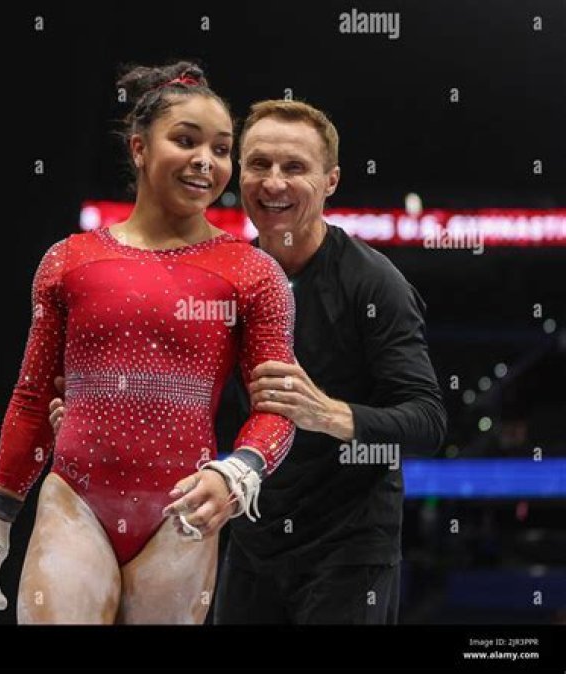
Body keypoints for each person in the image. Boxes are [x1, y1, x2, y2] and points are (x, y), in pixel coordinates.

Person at [51, 99, 447, 624]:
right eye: (259, 164)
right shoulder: (230, 278)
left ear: (330, 181)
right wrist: (99, 417)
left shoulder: (375, 284)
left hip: (348, 552)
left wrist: (329, 414)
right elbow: (196, 406)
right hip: (250, 539)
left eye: (294, 167)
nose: (274, 182)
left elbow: (428, 422)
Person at [0, 62, 297, 624]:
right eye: (185, 141)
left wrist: (238, 471)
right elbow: (33, 399)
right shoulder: (69, 261)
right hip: (76, 499)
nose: (205, 161)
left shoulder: (253, 273)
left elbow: (277, 407)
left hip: (182, 510)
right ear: (139, 148)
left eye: (220, 149)